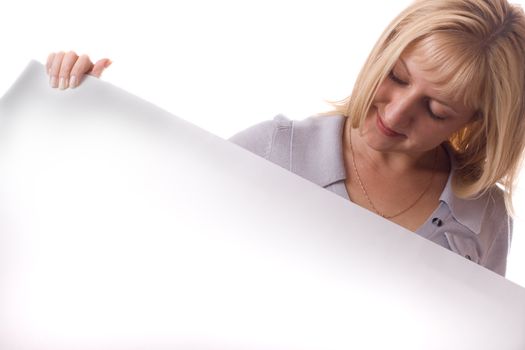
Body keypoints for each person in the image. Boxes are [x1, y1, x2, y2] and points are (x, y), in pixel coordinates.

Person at [46, 0, 525, 277]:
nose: (397, 113)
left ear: (476, 123)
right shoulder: (271, 151)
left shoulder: (482, 216)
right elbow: (144, 238)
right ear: (382, 52)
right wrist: (78, 107)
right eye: (397, 77)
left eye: (437, 110)